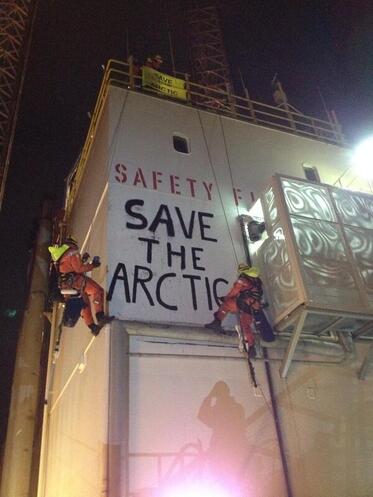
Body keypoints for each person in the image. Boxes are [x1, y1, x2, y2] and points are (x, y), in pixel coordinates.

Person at [205, 264, 275, 357]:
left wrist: (226, 298)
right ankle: (251, 347)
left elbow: (234, 291)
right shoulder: (257, 281)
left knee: (226, 305)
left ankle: (217, 322)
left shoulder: (242, 280)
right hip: (252, 308)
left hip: (243, 303)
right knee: (245, 326)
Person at [50, 236, 114, 336]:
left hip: (65, 286)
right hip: (76, 281)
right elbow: (79, 269)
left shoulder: (59, 258)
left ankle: (93, 327)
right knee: (96, 290)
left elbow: (69, 267)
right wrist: (93, 265)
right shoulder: (72, 251)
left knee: (83, 304)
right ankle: (100, 316)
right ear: (72, 244)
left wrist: (83, 259)